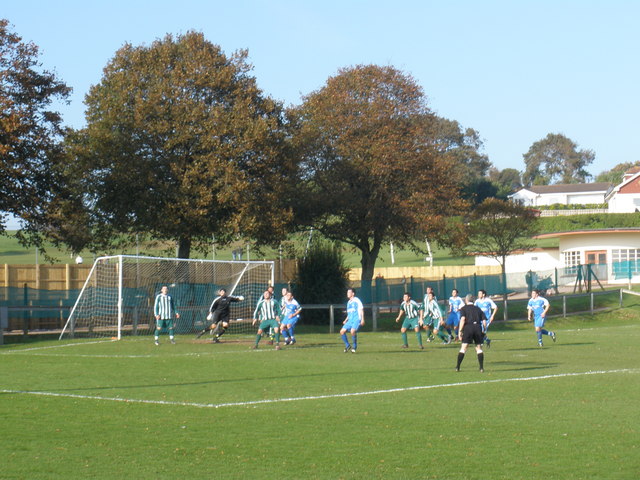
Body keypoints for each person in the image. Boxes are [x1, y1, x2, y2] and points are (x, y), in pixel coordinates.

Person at [456, 294, 487, 372]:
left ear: (466, 300)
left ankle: (457, 367)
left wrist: (460, 331)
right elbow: (484, 321)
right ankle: (481, 368)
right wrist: (484, 330)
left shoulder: (463, 309)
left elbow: (462, 319)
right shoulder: (478, 309)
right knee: (478, 348)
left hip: (468, 327)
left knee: (464, 347)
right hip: (477, 327)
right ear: (473, 300)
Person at [341, 288, 365, 353]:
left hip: (356, 319)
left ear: (353, 293)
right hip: (350, 320)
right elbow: (349, 313)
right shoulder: (348, 303)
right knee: (342, 331)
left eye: (349, 292)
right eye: (347, 292)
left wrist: (362, 319)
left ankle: (354, 346)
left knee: (352, 331)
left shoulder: (357, 300)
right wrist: (345, 320)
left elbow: (361, 309)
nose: (347, 293)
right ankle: (348, 345)